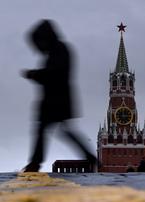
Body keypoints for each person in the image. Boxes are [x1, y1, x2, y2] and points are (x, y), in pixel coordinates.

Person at [21, 19, 97, 172]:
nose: (38, 47)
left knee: (48, 129)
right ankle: (89, 157)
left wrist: (34, 74)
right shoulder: (58, 50)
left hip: (57, 100)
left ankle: (35, 163)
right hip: (55, 99)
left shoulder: (59, 50)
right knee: (59, 130)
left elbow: (54, 74)